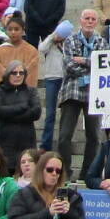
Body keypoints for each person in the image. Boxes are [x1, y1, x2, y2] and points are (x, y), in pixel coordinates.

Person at [59, 10, 107, 170]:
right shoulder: (70, 40)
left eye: (93, 19)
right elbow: (69, 66)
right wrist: (92, 65)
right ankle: (64, 171)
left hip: (94, 94)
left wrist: (85, 61)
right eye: (87, 18)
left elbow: (103, 66)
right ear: (81, 20)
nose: (90, 21)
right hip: (71, 92)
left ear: (96, 22)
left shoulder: (101, 41)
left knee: (94, 136)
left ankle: (87, 173)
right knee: (65, 135)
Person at [0, 60, 41, 174]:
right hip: (4, 141)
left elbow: (36, 112)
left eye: (21, 73)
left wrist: (10, 114)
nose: (18, 75)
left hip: (26, 142)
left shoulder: (31, 91)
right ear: (8, 74)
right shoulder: (0, 91)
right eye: (14, 73)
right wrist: (22, 107)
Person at [0, 14, 42, 96]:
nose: (13, 32)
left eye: (16, 29)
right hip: (3, 95)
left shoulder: (31, 51)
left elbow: (31, 76)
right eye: (10, 29)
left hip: (23, 95)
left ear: (23, 31)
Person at [39, 21, 73, 150]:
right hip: (51, 78)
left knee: (66, 113)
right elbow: (41, 48)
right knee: (50, 113)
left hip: (66, 78)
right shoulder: (51, 42)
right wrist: (53, 37)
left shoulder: (70, 42)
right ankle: (45, 144)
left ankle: (63, 143)